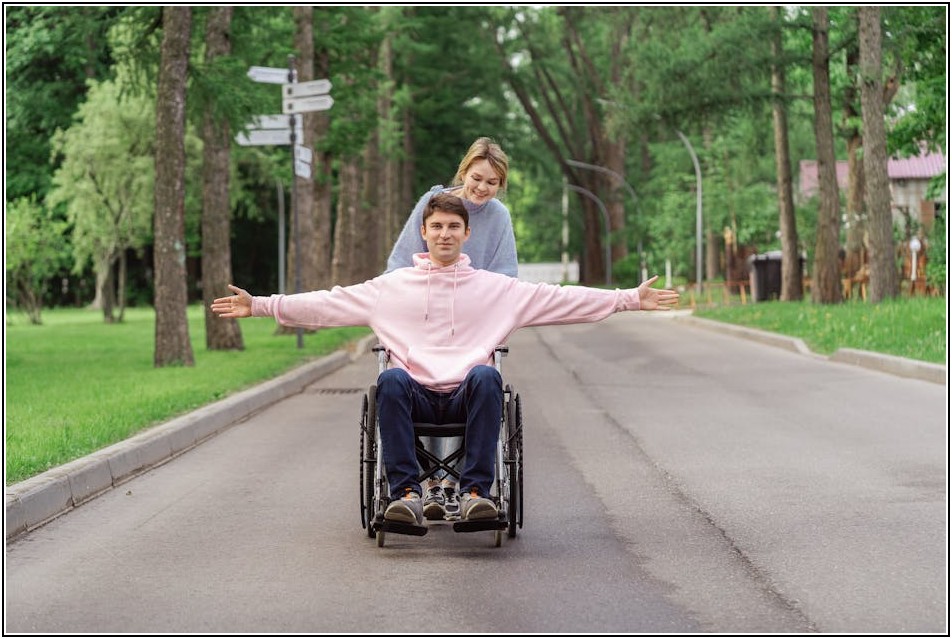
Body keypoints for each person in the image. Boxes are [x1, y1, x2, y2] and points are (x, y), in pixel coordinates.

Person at [211, 193, 679, 527]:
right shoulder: (390, 289)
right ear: (424, 232)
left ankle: (477, 493)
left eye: (454, 227)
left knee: (486, 375)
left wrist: (628, 299)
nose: (445, 234)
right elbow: (328, 303)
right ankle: (406, 496)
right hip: (412, 397)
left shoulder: (497, 290)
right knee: (390, 380)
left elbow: (559, 298)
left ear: (467, 233)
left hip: (466, 397)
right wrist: (262, 305)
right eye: (437, 226)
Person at [386, 136, 517, 521]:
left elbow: (508, 274)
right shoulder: (433, 207)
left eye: (492, 183)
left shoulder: (499, 218)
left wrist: (481, 301)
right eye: (477, 178)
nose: (482, 189)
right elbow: (398, 264)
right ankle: (423, 485)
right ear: (464, 171)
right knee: (413, 375)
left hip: (475, 315)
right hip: (424, 312)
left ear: (500, 186)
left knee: (475, 375)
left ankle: (463, 486)